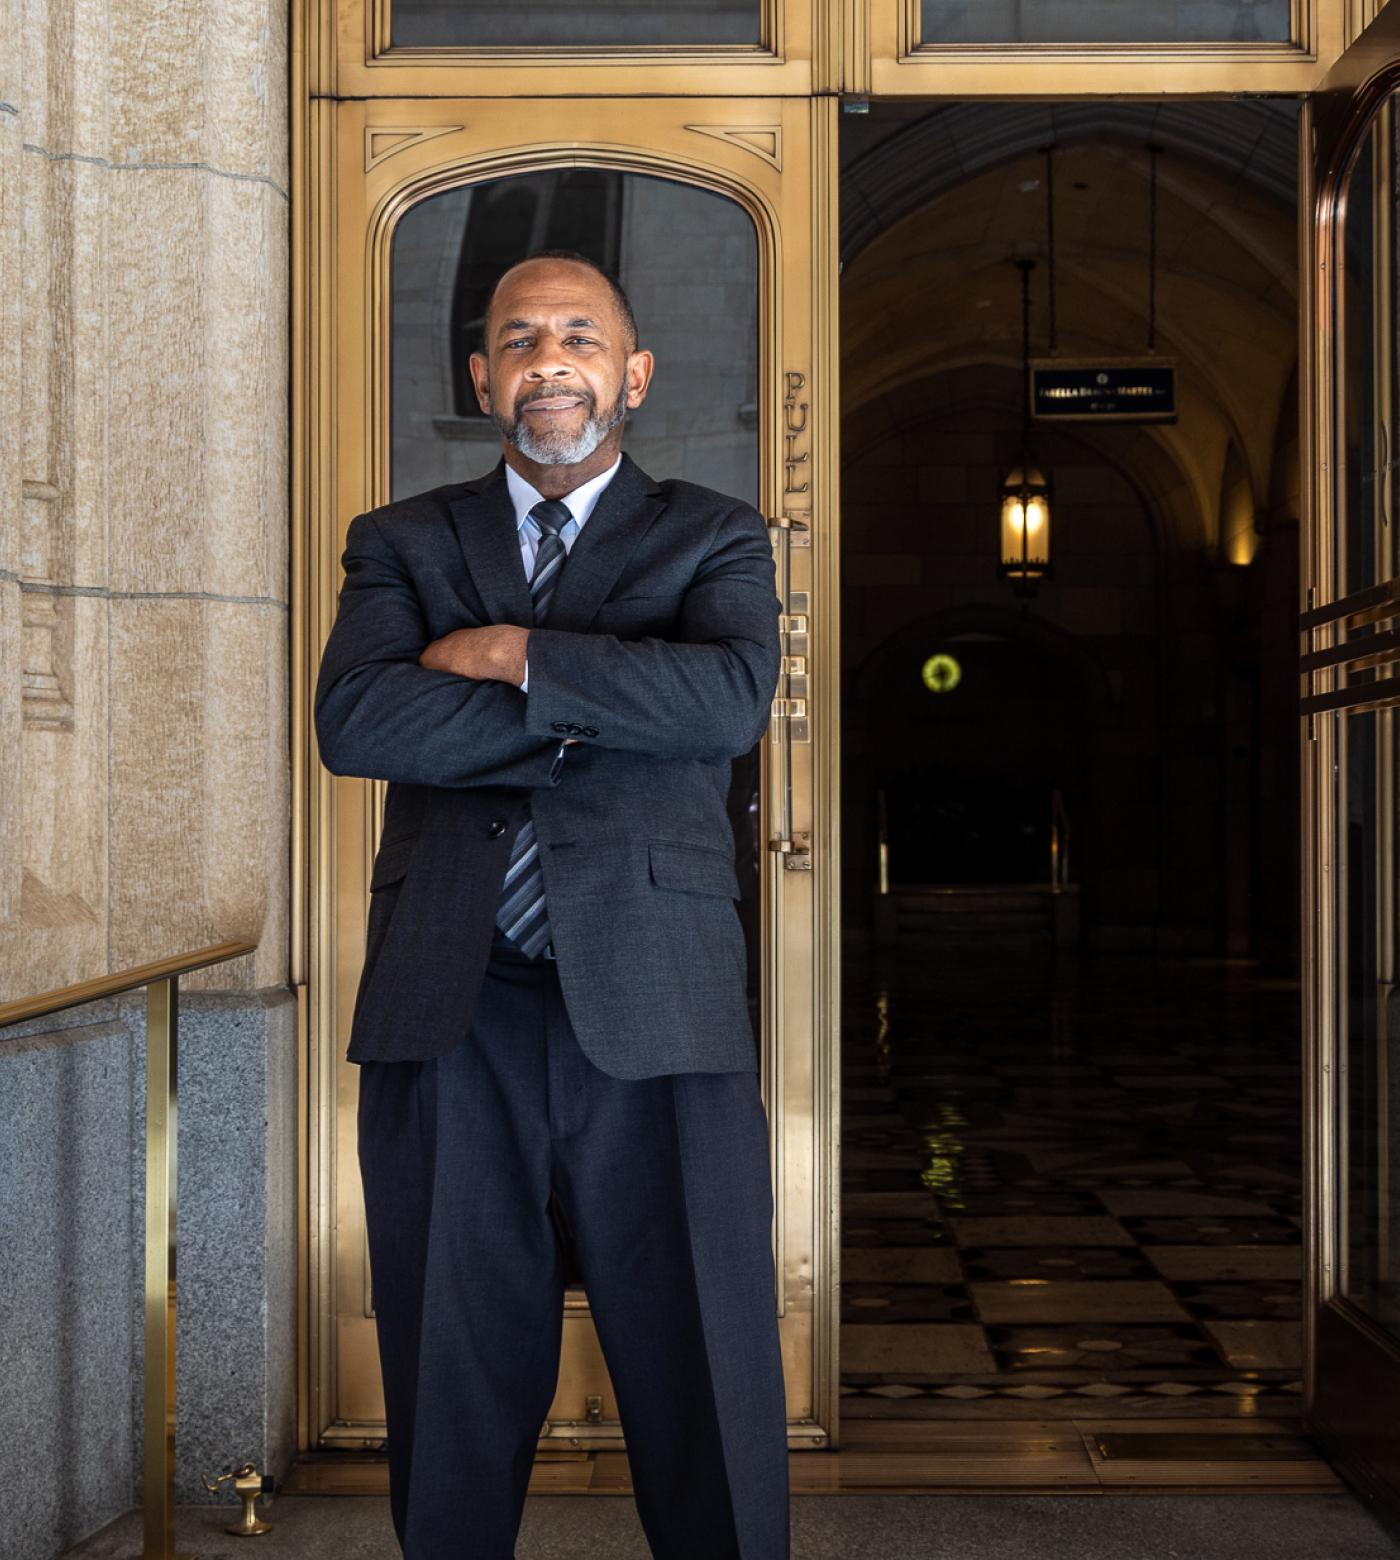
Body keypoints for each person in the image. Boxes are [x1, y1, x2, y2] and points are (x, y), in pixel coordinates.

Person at [314, 248, 790, 1559]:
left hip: (657, 1003)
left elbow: (727, 706)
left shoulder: (713, 534)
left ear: (632, 376)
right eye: (519, 338)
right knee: (452, 1363)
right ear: (483, 377)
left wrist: (514, 661)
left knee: (702, 1356)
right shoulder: (404, 542)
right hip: (448, 1004)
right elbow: (358, 722)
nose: (549, 360)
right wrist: (607, 709)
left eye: (580, 336)